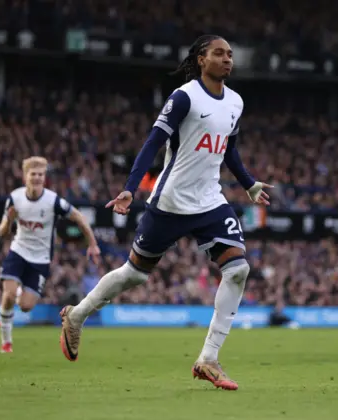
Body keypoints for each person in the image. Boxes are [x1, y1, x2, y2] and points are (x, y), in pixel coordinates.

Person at [58, 35, 272, 391]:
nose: (227, 60)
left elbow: (229, 151)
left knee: (238, 270)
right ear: (201, 59)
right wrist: (130, 186)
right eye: (219, 53)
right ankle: (76, 315)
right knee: (135, 275)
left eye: (231, 55)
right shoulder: (185, 96)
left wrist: (249, 184)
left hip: (210, 201)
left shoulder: (235, 102)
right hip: (171, 201)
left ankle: (208, 359)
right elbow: (153, 142)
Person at [0, 156, 100, 353]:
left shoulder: (52, 201)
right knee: (8, 294)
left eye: (40, 175)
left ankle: (18, 294)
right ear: (25, 176)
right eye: (33, 174)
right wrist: (9, 221)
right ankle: (6, 341)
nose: (37, 178)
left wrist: (93, 244)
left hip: (40, 259)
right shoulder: (15, 198)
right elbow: (2, 232)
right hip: (18, 251)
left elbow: (79, 216)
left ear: (44, 178)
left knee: (25, 306)